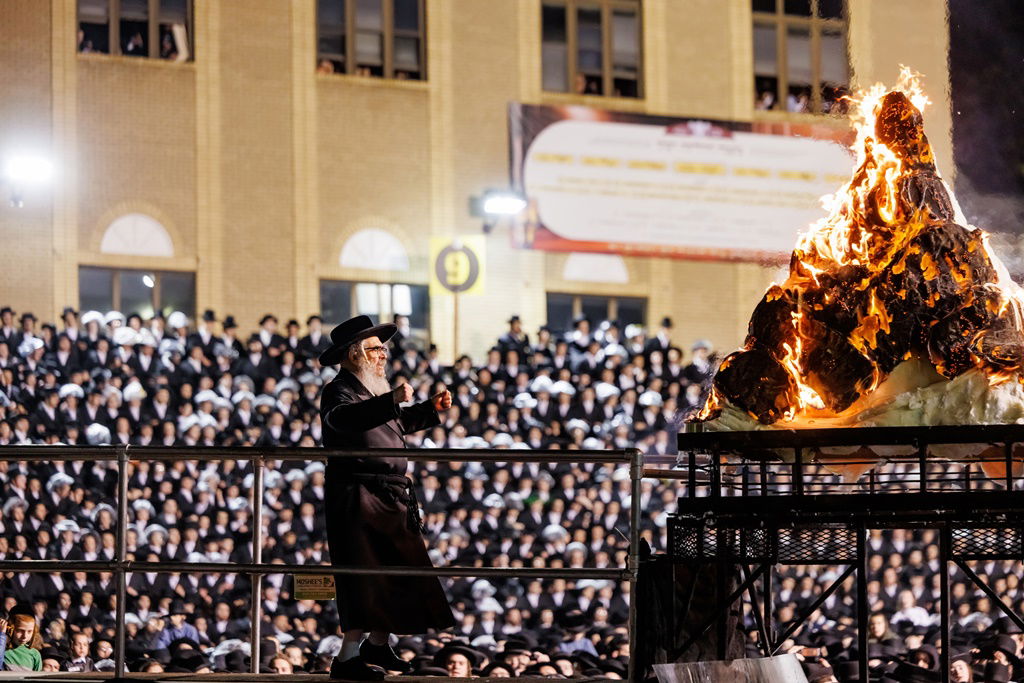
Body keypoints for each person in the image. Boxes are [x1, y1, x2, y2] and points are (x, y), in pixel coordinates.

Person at [318, 315, 455, 680]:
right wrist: (391, 400)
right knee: (364, 577)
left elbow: (395, 423)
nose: (383, 355)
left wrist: (429, 409)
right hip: (358, 494)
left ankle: (377, 643)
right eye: (375, 348)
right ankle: (346, 659)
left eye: (383, 348)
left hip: (388, 494)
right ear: (354, 353)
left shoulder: (372, 389)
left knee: (396, 570)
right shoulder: (339, 390)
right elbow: (344, 420)